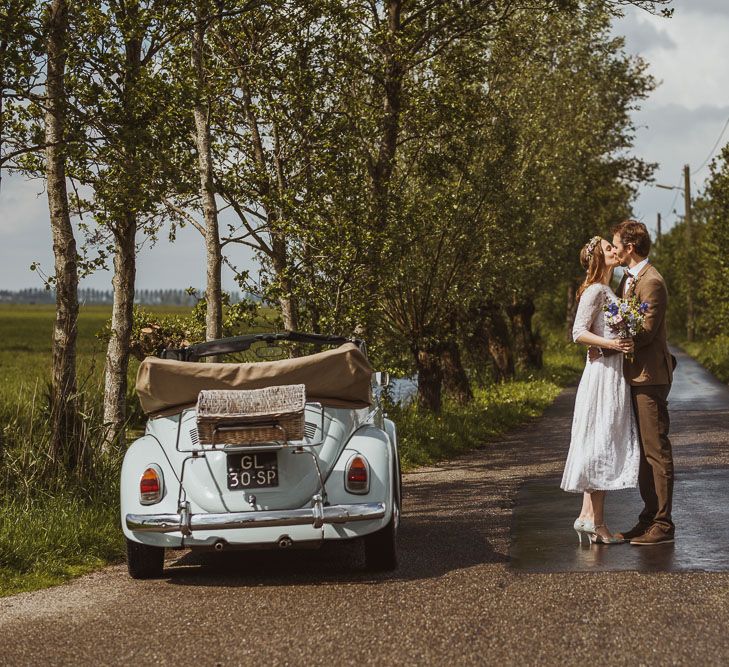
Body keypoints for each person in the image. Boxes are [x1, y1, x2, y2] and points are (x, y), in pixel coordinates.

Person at [561, 235, 639, 545]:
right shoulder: (595, 290)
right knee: (601, 443)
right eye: (609, 248)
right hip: (601, 376)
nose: (615, 250)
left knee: (602, 440)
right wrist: (612, 344)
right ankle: (599, 523)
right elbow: (578, 333)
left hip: (613, 372)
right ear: (598, 259)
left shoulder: (610, 289)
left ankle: (586, 516)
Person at [606, 220, 676, 545]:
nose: (615, 249)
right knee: (643, 452)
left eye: (616, 244)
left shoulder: (653, 281)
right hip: (634, 376)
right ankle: (648, 519)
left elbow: (646, 332)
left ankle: (663, 524)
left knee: (656, 450)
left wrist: (616, 331)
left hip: (650, 377)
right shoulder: (629, 279)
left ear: (630, 247)